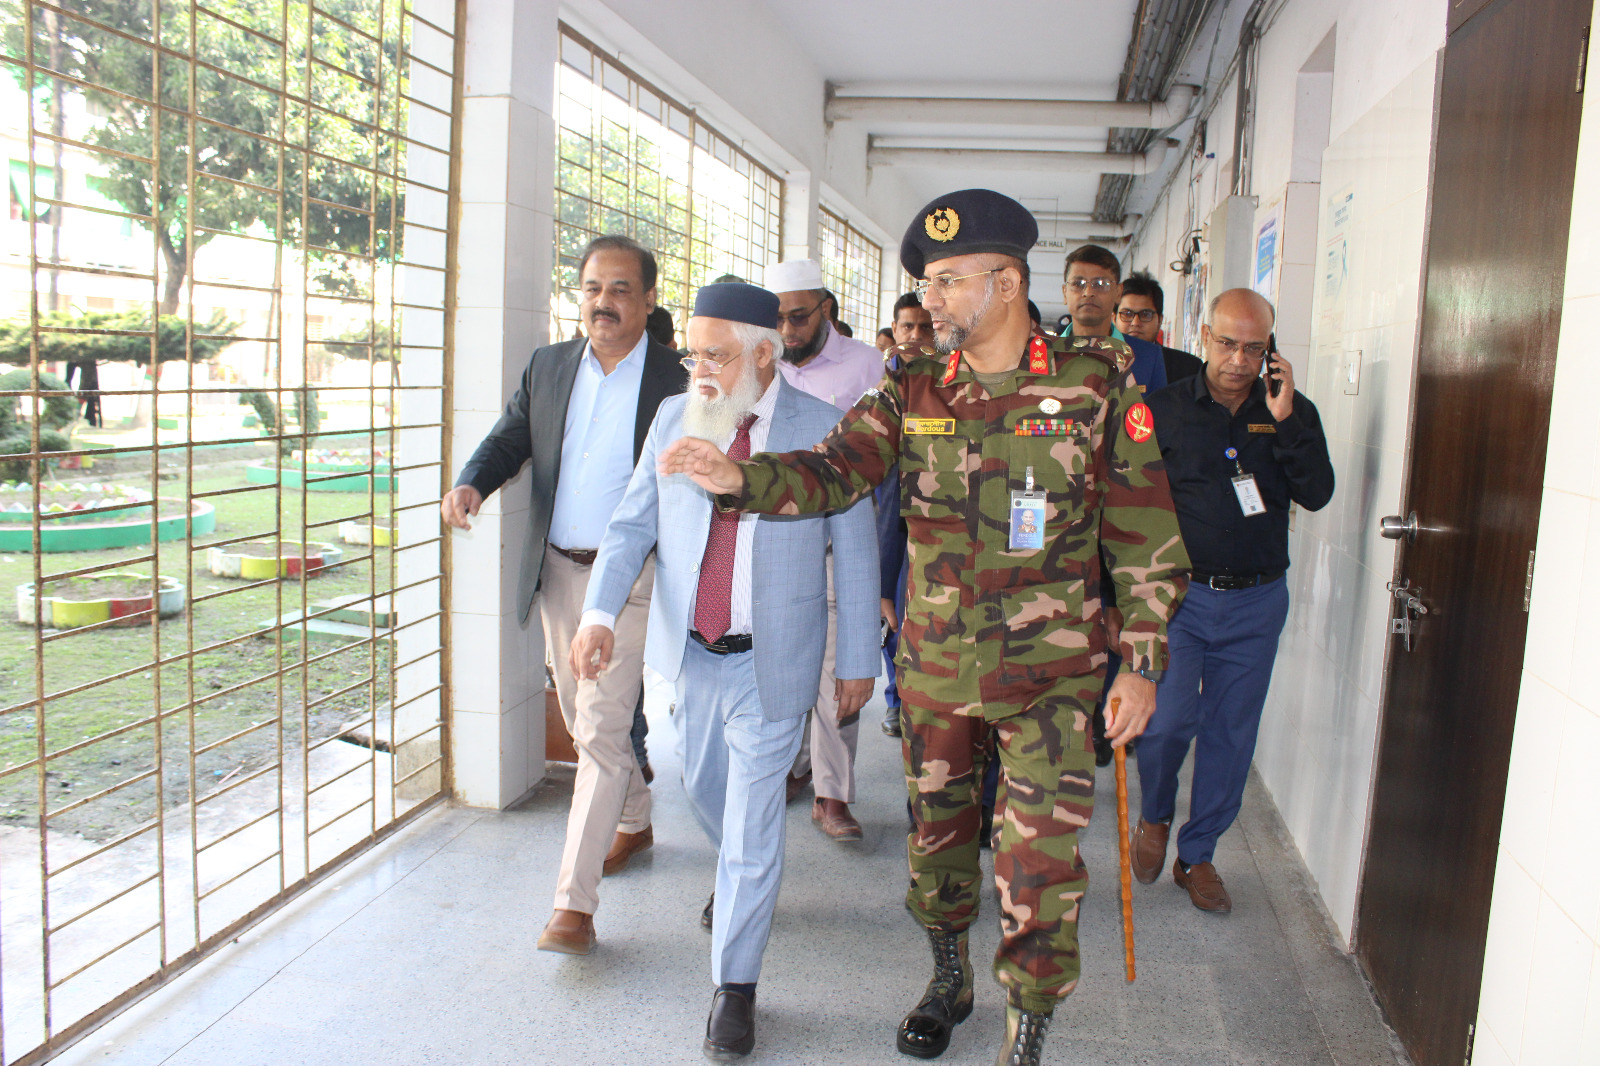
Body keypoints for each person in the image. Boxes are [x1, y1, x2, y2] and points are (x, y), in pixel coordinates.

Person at [657, 189, 1189, 1066]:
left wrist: (1141, 660)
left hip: (1053, 674)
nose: (929, 300)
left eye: (947, 281)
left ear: (1005, 282)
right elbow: (834, 469)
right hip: (937, 668)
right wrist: (741, 479)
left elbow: (1145, 532)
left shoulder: (1093, 384)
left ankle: (1028, 1025)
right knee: (938, 850)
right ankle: (950, 977)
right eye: (927, 283)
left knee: (1040, 863)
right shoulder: (911, 386)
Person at [570, 282, 879, 1060]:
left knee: (751, 824)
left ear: (765, 354)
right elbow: (632, 524)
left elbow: (857, 549)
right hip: (694, 656)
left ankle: (735, 987)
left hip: (774, 658)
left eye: (716, 355)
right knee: (709, 793)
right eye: (693, 354)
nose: (700, 369)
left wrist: (856, 659)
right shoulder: (677, 417)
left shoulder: (825, 429)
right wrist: (599, 614)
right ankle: (739, 882)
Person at [442, 234, 688, 956]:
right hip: (558, 570)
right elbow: (511, 436)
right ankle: (634, 819)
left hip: (635, 576)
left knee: (603, 728)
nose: (602, 302)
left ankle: (572, 907)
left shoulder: (676, 381)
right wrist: (472, 482)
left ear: (648, 299)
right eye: (591, 289)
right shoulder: (549, 366)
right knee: (587, 721)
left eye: (619, 290)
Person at [1134, 289, 1334, 913]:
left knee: (1230, 734)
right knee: (1166, 723)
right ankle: (1155, 813)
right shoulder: (1160, 409)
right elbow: (1130, 504)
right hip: (1179, 598)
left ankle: (1197, 855)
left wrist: (1287, 419)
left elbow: (1317, 492)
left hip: (1256, 602)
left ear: (1269, 349)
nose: (1239, 361)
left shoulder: (1289, 411)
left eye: (1254, 348)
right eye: (1227, 344)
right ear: (1204, 336)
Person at [765, 257, 887, 840]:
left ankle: (832, 794)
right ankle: (794, 766)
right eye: (778, 320)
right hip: (777, 543)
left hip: (841, 540)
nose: (787, 330)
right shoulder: (763, 363)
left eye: (798, 317)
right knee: (784, 660)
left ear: (826, 309)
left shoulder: (866, 365)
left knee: (841, 669)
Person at [1062, 244, 1175, 768]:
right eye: (1079, 283)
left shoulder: (1145, 359)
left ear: (1116, 293)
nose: (1089, 293)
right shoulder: (1042, 354)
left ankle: (1103, 728)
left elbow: (1153, 446)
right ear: (1065, 292)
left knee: (1113, 640)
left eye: (1101, 284)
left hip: (1124, 517)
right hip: (1064, 529)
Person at [877, 292, 934, 740]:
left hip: (940, 539)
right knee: (895, 624)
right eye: (907, 327)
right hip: (896, 531)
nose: (915, 335)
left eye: (925, 327)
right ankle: (898, 700)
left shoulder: (954, 386)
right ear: (894, 331)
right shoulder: (885, 390)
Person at [1116, 269, 1203, 385]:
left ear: (1160, 320)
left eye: (1145, 314)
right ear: (1113, 318)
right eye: (1127, 314)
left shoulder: (1188, 368)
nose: (1135, 322)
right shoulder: (1098, 364)